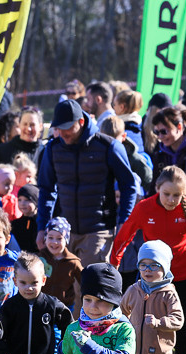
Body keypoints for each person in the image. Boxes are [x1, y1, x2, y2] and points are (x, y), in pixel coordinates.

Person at [110, 166, 186, 354]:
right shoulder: (144, 208)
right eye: (166, 194)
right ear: (158, 188)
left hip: (185, 273)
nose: (171, 199)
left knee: (182, 320)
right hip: (153, 277)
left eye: (177, 195)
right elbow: (124, 234)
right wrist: (114, 261)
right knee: (146, 319)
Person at [37, 99, 138, 266]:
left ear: (81, 122)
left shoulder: (108, 147)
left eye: (67, 128)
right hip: (63, 232)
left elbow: (129, 185)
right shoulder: (53, 149)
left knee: (91, 288)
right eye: (58, 129)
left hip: (98, 232)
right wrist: (42, 228)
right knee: (65, 290)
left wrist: (124, 222)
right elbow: (46, 190)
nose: (62, 133)